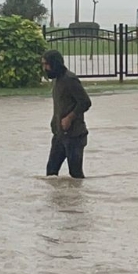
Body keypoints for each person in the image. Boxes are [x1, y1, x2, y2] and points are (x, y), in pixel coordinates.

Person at [42, 50, 90, 178]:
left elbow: (85, 102)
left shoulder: (70, 79)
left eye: (46, 64)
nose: (44, 68)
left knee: (75, 175)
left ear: (54, 64)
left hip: (75, 136)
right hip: (59, 135)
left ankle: (78, 198)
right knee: (51, 173)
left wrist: (69, 117)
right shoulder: (57, 80)